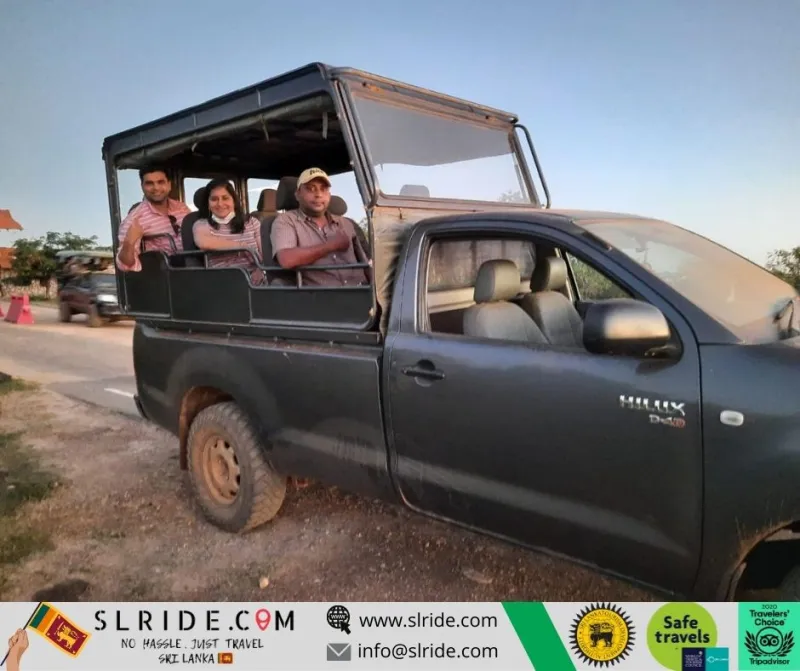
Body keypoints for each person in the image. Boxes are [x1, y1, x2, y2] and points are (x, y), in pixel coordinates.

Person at [270, 167, 370, 286]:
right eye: (310, 189)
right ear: (298, 194)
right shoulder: (286, 221)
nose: (318, 194)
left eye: (323, 189)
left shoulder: (347, 224)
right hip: (321, 297)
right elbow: (286, 259)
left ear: (329, 195)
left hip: (361, 291)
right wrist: (331, 246)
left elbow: (367, 263)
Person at [116, 166, 191, 271]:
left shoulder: (182, 208)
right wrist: (129, 241)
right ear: (142, 186)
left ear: (169, 184)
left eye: (160, 182)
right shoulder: (135, 219)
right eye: (149, 183)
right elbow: (125, 265)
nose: (156, 188)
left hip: (193, 265)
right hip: (166, 275)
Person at [192, 179, 265, 284]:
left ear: (234, 201)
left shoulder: (252, 222)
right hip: (222, 281)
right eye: (214, 199)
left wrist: (260, 270)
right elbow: (204, 243)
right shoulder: (201, 224)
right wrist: (244, 246)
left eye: (225, 198)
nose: (220, 204)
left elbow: (263, 254)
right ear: (208, 204)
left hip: (255, 279)